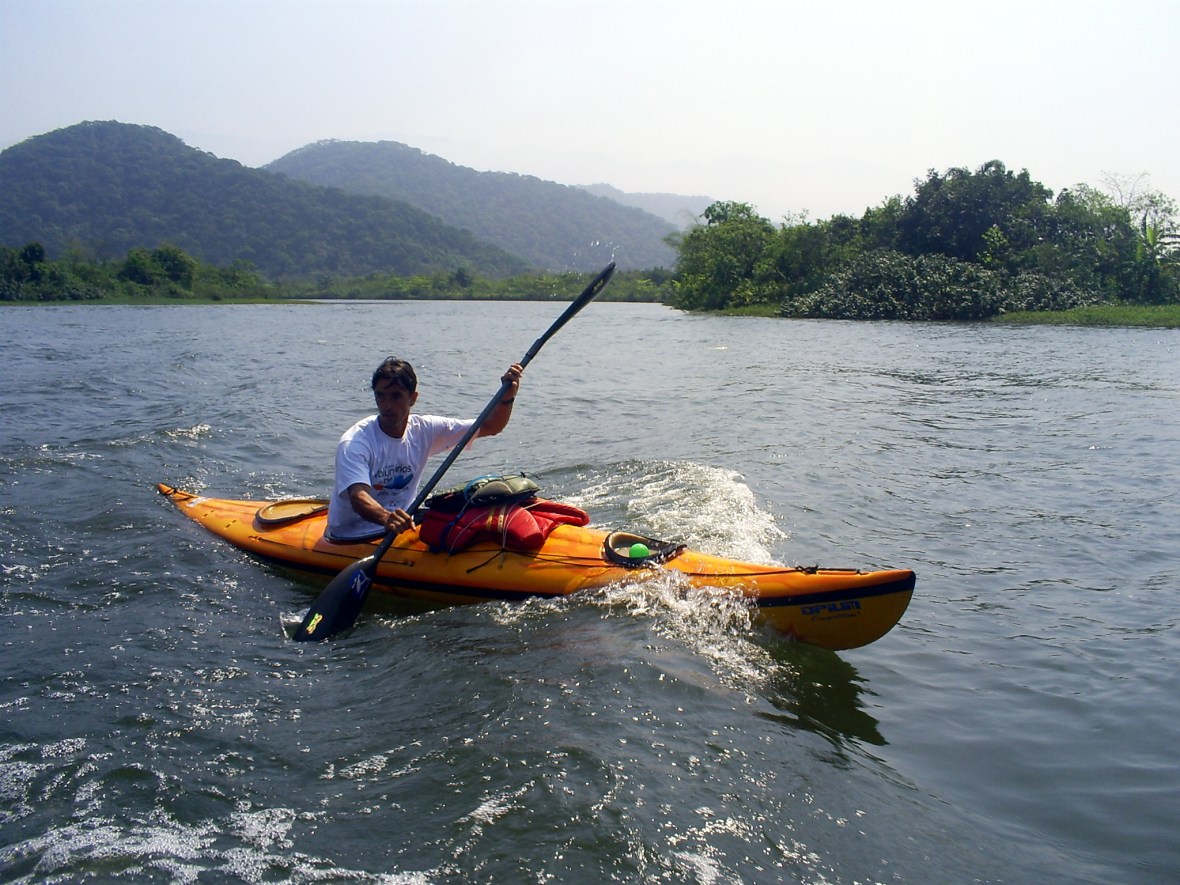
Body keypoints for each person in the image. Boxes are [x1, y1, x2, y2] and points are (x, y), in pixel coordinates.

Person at [325, 357, 523, 542]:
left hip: (402, 524)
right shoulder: (355, 442)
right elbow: (358, 497)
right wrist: (387, 518)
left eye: (396, 397)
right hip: (351, 534)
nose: (386, 406)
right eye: (380, 396)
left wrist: (506, 398)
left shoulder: (425, 429)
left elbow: (491, 426)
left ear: (413, 398)